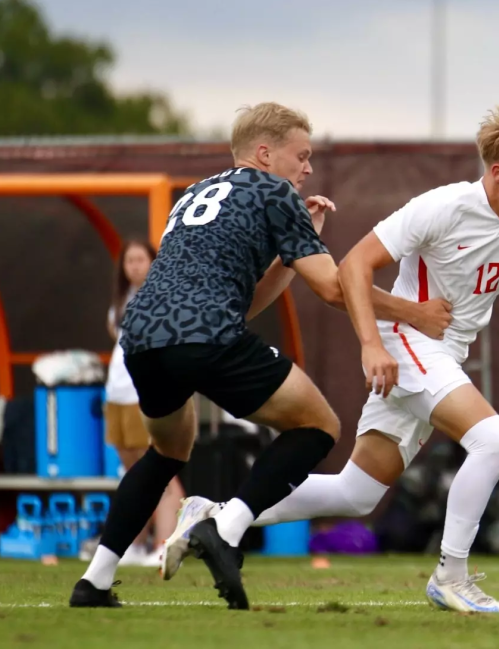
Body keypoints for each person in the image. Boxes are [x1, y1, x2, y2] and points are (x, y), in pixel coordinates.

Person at [164, 106, 499, 613]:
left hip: (444, 351)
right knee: (494, 440)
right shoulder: (443, 207)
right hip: (409, 341)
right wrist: (372, 345)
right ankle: (451, 576)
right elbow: (354, 265)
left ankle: (215, 513)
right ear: (497, 171)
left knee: (356, 493)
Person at [69, 102, 452, 610]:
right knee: (318, 426)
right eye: (302, 155)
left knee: (167, 452)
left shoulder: (193, 194)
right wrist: (414, 312)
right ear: (266, 153)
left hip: (141, 334)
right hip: (205, 333)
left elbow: (243, 302)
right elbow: (334, 289)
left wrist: (295, 248)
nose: (307, 168)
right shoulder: (275, 191)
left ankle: (94, 581)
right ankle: (225, 527)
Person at [103, 239, 185, 568]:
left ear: (153, 261)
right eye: (129, 261)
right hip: (117, 392)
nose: (135, 266)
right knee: (133, 473)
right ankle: (135, 544)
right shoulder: (120, 301)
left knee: (160, 471)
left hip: (144, 394)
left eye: (141, 259)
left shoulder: (164, 295)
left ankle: (166, 544)